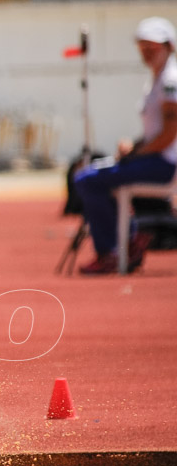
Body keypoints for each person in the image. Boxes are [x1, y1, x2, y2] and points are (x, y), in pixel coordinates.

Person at [75, 17, 177, 274]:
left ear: (168, 46)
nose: (146, 52)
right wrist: (133, 147)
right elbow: (156, 133)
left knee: (88, 179)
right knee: (93, 176)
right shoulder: (157, 79)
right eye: (142, 47)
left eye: (151, 47)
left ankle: (113, 249)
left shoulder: (170, 80)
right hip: (158, 159)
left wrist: (136, 154)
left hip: (165, 164)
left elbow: (170, 133)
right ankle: (127, 241)